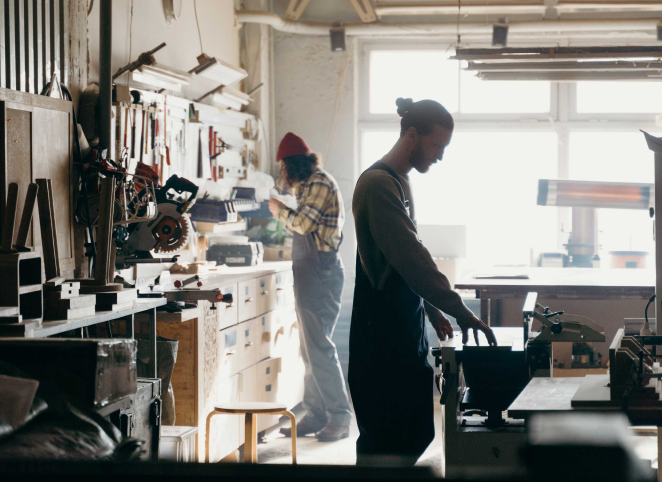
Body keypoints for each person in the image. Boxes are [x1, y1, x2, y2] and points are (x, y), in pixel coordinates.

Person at [349, 98, 498, 465]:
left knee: (415, 430)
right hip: (380, 333)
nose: (440, 157)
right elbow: (413, 260)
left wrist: (431, 310)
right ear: (412, 135)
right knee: (387, 441)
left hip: (402, 323)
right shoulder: (377, 185)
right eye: (437, 146)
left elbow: (405, 252)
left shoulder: (399, 181)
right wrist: (461, 311)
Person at [268, 132, 352, 442]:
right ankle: (316, 414)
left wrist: (279, 210)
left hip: (321, 272)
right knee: (309, 350)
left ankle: (340, 417)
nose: (284, 175)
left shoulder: (319, 182)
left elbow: (303, 225)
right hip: (312, 272)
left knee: (319, 349)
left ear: (294, 165)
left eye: (284, 169)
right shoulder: (308, 185)